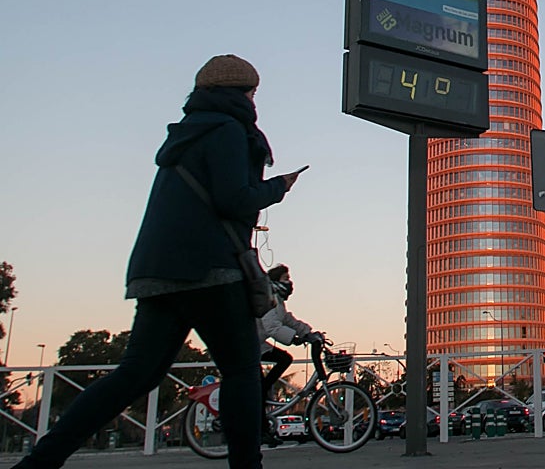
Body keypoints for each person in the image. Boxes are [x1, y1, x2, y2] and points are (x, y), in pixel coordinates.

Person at [12, 55, 307, 469]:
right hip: (211, 271)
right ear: (242, 94)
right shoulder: (228, 130)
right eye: (253, 92)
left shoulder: (183, 137)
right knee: (242, 373)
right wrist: (278, 186)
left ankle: (40, 461)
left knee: (134, 375)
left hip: (158, 272)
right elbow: (233, 199)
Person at [257, 265, 323, 444]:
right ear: (277, 281)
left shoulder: (277, 300)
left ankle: (263, 390)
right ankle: (261, 429)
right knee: (262, 384)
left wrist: (308, 333)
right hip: (247, 343)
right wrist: (293, 339)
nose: (289, 282)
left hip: (257, 343)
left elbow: (288, 320)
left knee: (284, 360)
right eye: (286, 278)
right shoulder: (269, 297)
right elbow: (271, 326)